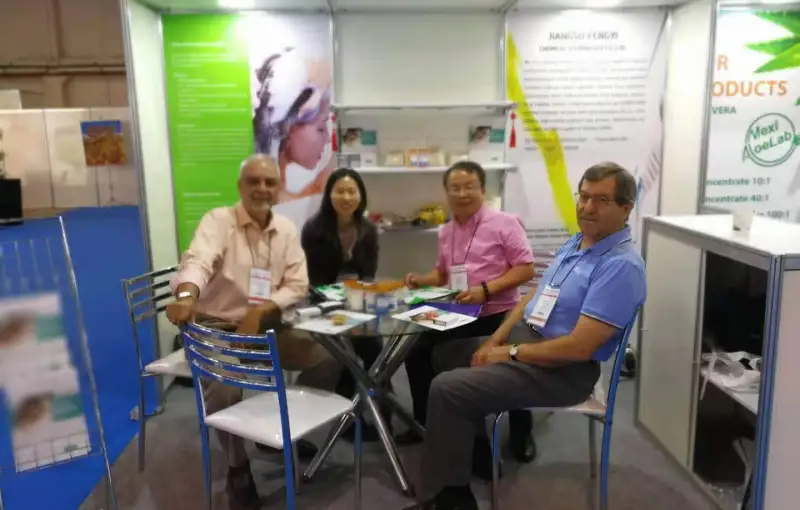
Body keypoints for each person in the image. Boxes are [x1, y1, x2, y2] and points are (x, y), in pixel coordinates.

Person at [402, 162, 647, 510]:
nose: (587, 207)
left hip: (564, 370)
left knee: (447, 388)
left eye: (602, 200)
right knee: (443, 354)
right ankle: (469, 446)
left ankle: (450, 497)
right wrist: (496, 339)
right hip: (530, 338)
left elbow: (579, 348)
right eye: (584, 196)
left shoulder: (620, 266)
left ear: (626, 208)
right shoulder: (579, 242)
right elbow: (535, 294)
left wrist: (508, 352)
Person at [166, 154, 341, 510]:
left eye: (269, 182)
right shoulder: (219, 221)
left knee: (329, 358)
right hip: (217, 325)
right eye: (254, 181)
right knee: (225, 387)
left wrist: (260, 311)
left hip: (267, 324)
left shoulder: (287, 229)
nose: (262, 188)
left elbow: (297, 285)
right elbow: (198, 261)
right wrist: (186, 297)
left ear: (278, 189)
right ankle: (237, 466)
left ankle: (275, 427)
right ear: (240, 187)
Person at [401, 160, 537, 479]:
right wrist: (420, 280)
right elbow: (443, 274)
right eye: (455, 188)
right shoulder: (446, 230)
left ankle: (521, 431)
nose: (462, 193)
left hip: (499, 315)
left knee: (507, 366)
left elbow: (526, 268)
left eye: (469, 186)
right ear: (447, 192)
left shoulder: (505, 223)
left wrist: (485, 290)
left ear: (482, 189)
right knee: (414, 351)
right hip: (461, 314)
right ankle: (425, 423)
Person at [301, 168, 386, 439]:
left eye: (352, 191)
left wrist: (357, 301)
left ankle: (383, 415)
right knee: (345, 351)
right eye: (340, 191)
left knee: (375, 348)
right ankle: (347, 420)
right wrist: (337, 302)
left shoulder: (368, 230)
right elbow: (313, 282)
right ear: (329, 195)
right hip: (323, 308)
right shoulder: (314, 230)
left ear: (361, 196)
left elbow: (368, 276)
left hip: (357, 305)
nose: (346, 197)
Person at [252, 48, 334, 204]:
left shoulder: (278, 200)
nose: (328, 139)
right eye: (321, 128)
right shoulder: (278, 203)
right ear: (288, 129)